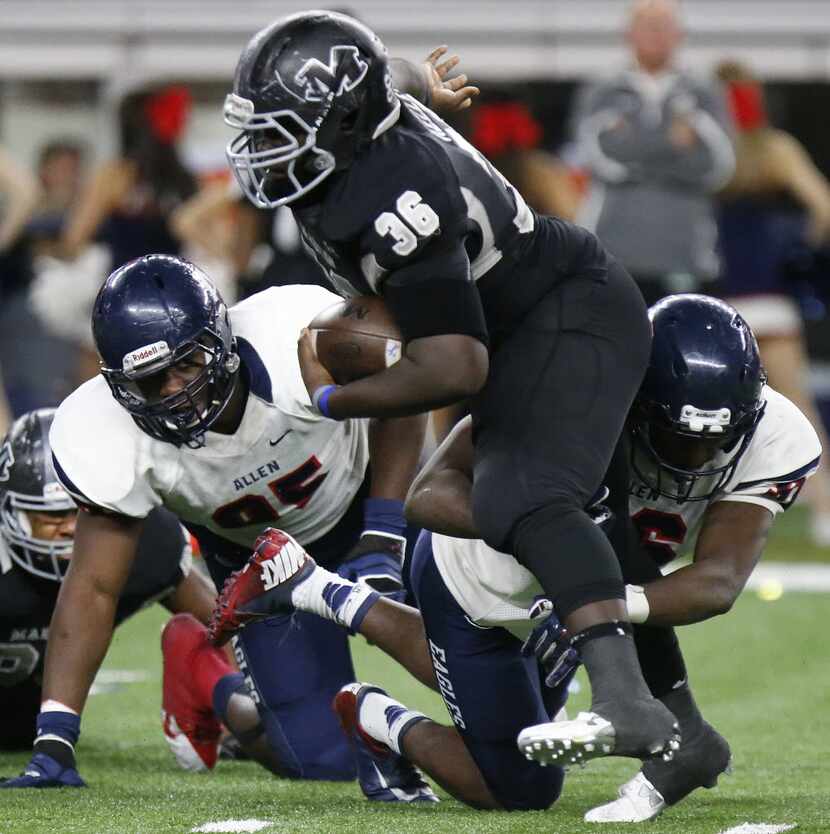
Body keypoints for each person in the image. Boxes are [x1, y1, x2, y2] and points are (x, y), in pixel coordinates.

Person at [224, 9, 678, 763]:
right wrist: (421, 86)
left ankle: (625, 701)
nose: (262, 148)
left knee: (525, 497)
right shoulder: (364, 127)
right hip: (517, 319)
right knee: (456, 505)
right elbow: (390, 75)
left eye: (283, 127)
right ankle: (682, 725)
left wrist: (329, 402)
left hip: (561, 312)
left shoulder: (394, 194)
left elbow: (454, 366)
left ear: (339, 123)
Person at [10, 255, 429, 796]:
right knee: (323, 760)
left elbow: (408, 379)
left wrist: (383, 527)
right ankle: (209, 678)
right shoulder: (106, 433)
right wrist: (54, 742)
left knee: (485, 654)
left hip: (370, 505)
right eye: (150, 380)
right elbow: (92, 586)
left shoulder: (293, 334)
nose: (174, 392)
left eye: (186, 364)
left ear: (222, 338)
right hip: (266, 570)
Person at [409, 294, 819, 821]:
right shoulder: (567, 389)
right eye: (676, 438)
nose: (696, 459)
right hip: (471, 585)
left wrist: (600, 605)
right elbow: (427, 496)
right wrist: (544, 524)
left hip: (566, 609)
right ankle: (347, 632)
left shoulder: (776, 434)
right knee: (515, 788)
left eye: (720, 441)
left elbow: (718, 581)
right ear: (636, 397)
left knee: (615, 554)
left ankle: (686, 738)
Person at [0, 408, 217, 784]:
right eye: (50, 518)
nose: (70, 529)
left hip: (33, 723)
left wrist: (235, 697)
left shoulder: (144, 545)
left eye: (79, 513)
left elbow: (218, 621)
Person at [715, 59, 830, 547]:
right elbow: (823, 207)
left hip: (716, 308)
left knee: (704, 419)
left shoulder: (702, 150)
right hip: (770, 299)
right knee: (801, 413)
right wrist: (795, 253)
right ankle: (825, 512)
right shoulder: (775, 150)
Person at [569, 0, 735, 305]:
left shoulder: (705, 91)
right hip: (613, 250)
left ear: (679, 34)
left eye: (664, 25)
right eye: (648, 25)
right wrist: (673, 145)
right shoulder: (601, 89)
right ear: (628, 33)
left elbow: (717, 167)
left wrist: (633, 144)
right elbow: (598, 160)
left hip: (686, 253)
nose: (656, 33)